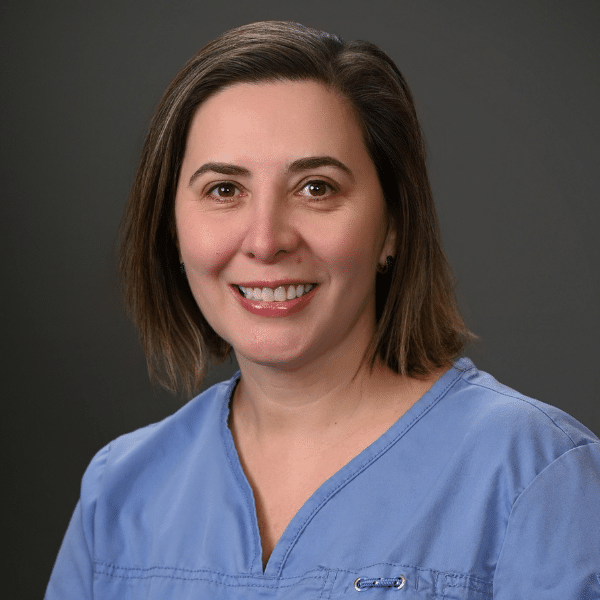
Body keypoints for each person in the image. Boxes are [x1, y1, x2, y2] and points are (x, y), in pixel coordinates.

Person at [45, 21, 600, 599]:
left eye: (316, 187)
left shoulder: (538, 477)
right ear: (172, 227)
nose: (265, 241)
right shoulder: (120, 491)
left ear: (392, 226)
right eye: (224, 190)